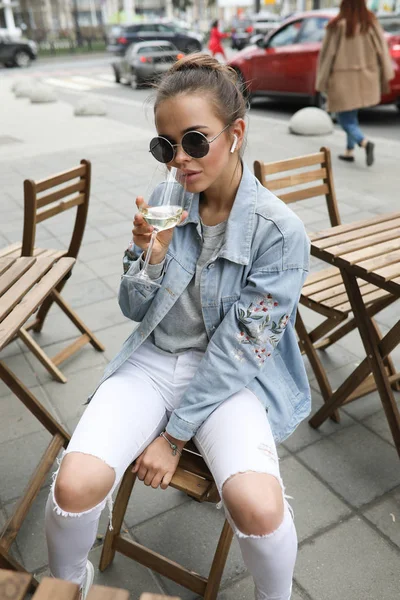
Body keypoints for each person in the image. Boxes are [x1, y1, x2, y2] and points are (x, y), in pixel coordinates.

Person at [44, 54, 311, 600]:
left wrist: (172, 437)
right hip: (154, 359)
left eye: (194, 141)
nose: (178, 162)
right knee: (74, 485)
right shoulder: (167, 197)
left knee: (257, 506)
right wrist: (149, 259)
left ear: (235, 133)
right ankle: (69, 584)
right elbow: (133, 310)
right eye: (165, 146)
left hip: (232, 380)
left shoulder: (279, 233)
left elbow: (242, 351)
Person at [316, 0, 394, 166]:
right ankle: (349, 151)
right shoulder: (370, 22)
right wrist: (385, 73)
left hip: (343, 79)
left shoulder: (337, 25)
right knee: (352, 116)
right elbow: (382, 49)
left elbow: (328, 55)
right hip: (365, 78)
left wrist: (322, 81)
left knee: (344, 118)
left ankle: (364, 142)